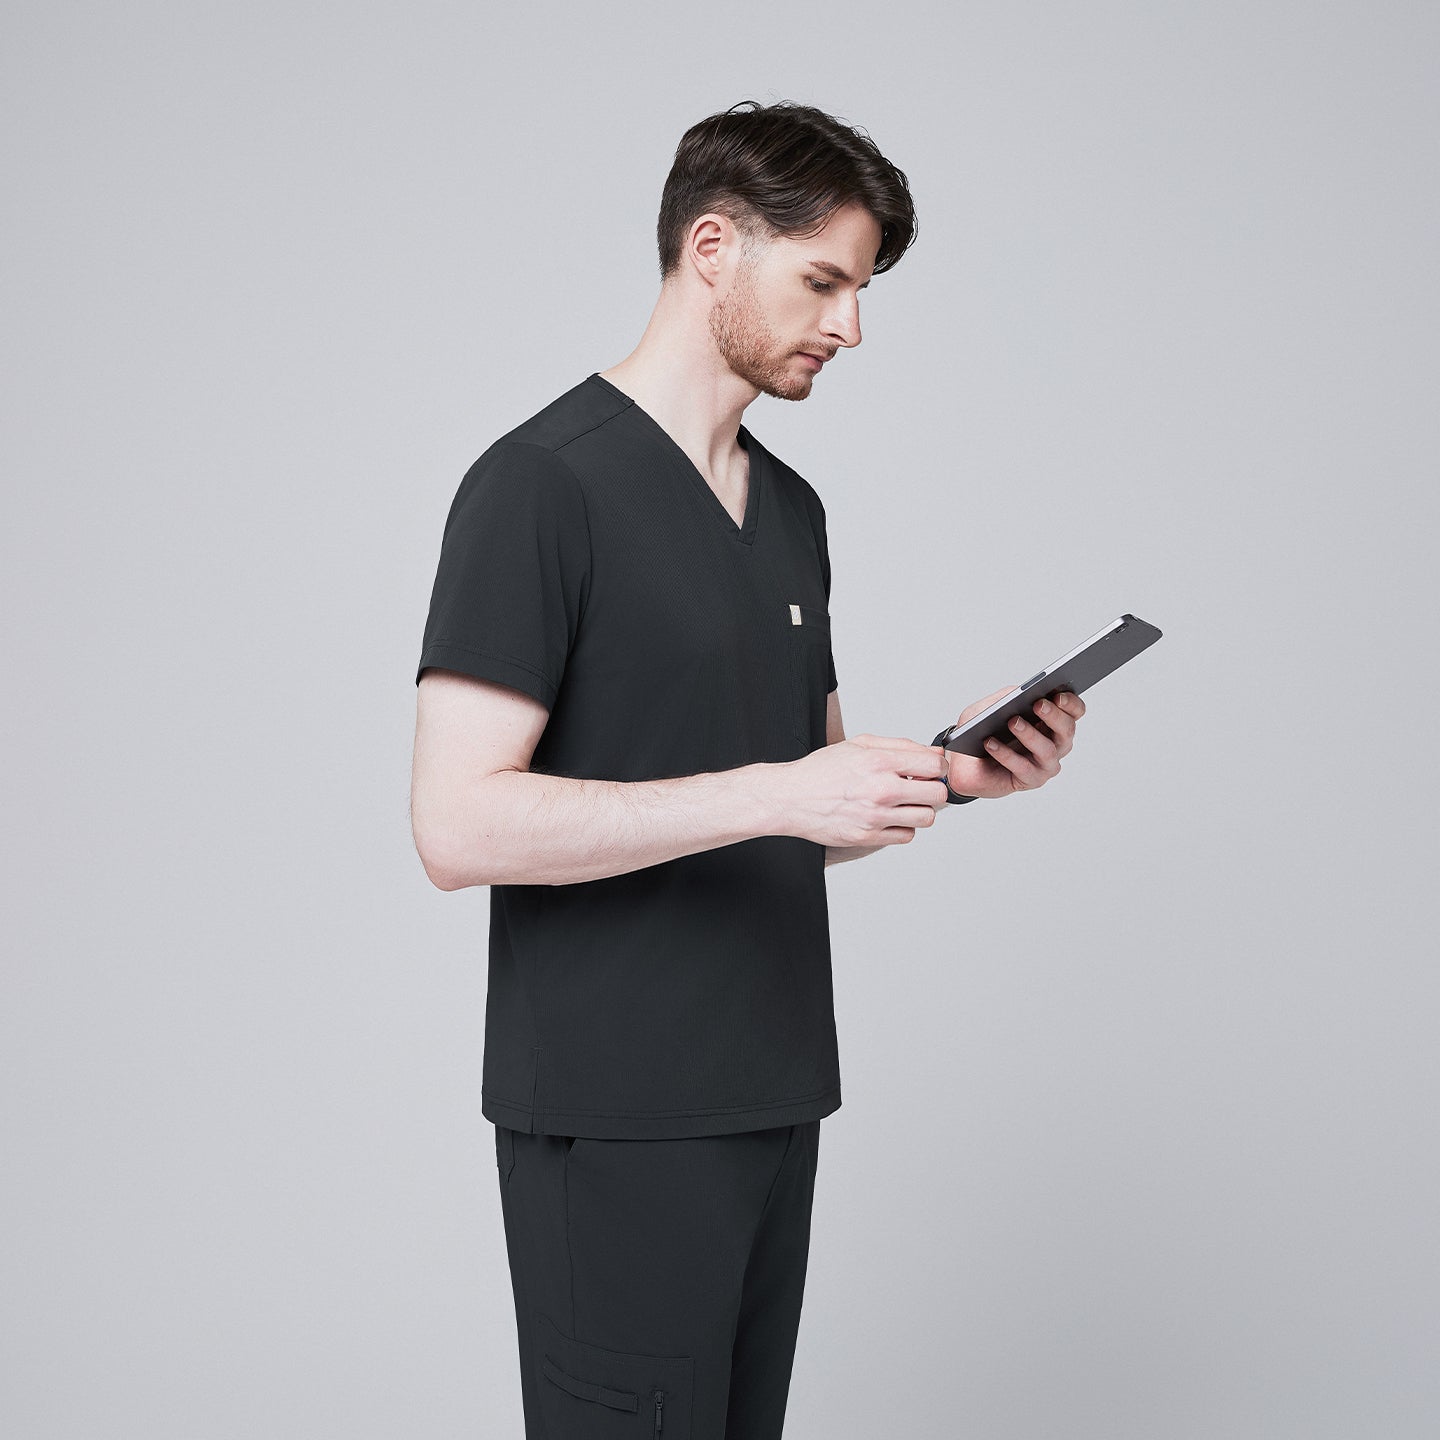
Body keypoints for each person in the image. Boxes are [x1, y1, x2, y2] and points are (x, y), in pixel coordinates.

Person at [410, 98, 1085, 1440]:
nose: (849, 326)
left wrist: (948, 777)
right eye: (825, 280)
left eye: (864, 289)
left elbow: (804, 800)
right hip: (617, 1113)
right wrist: (782, 790)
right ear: (711, 245)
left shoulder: (790, 510)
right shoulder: (540, 487)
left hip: (773, 1090)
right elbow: (456, 823)